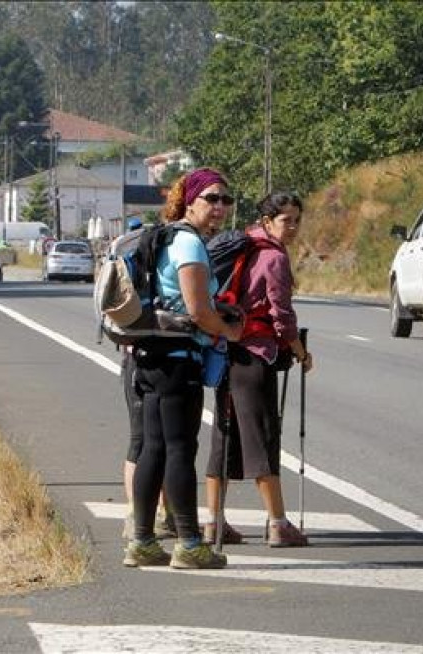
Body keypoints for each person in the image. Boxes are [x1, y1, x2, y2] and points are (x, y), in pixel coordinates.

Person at [123, 168, 243, 569]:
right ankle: (190, 544)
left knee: (153, 448)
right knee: (179, 449)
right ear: (189, 200)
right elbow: (197, 310)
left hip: (150, 355)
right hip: (178, 359)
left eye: (226, 200)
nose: (220, 207)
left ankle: (141, 541)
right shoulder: (189, 243)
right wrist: (229, 331)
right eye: (211, 198)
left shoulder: (165, 236)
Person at [204, 191, 313, 548]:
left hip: (225, 353)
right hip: (254, 357)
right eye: (286, 220)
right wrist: (300, 352)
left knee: (224, 437)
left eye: (297, 219)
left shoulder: (243, 246)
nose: (293, 227)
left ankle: (214, 523)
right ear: (268, 222)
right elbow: (282, 317)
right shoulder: (273, 257)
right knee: (263, 438)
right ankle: (278, 524)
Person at [119, 218, 174, 542]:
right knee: (155, 440)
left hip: (132, 355)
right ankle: (140, 515)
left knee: (145, 440)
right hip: (156, 354)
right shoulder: (168, 252)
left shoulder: (127, 253)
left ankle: (143, 514)